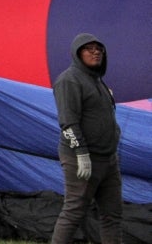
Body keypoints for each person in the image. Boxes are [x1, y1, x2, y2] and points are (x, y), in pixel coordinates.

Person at [51, 34, 122, 244]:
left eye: (98, 48)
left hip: (108, 159)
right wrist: (81, 153)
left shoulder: (97, 80)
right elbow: (68, 122)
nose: (95, 52)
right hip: (82, 158)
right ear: (77, 53)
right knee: (74, 212)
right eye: (88, 48)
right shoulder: (69, 80)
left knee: (113, 215)